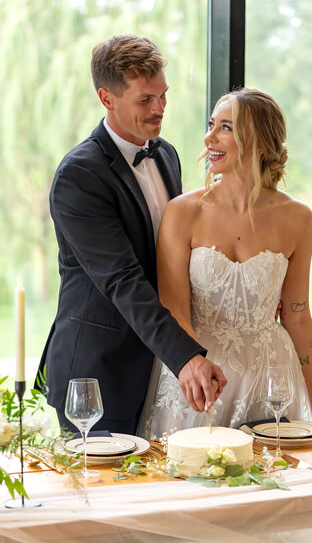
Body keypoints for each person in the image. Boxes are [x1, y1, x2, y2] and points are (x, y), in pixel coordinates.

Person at [37, 34, 226, 435]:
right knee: (106, 495)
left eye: (163, 95)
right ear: (107, 98)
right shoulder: (79, 176)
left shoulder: (166, 153)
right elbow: (123, 280)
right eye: (145, 99)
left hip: (161, 366)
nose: (159, 108)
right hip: (100, 375)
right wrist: (186, 357)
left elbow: (176, 254)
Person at [139, 88, 312, 438]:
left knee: (269, 480)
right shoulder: (183, 212)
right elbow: (174, 308)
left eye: (225, 127)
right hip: (199, 373)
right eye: (211, 125)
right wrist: (194, 368)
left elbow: (297, 315)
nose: (209, 137)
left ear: (261, 143)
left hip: (270, 378)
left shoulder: (298, 218)